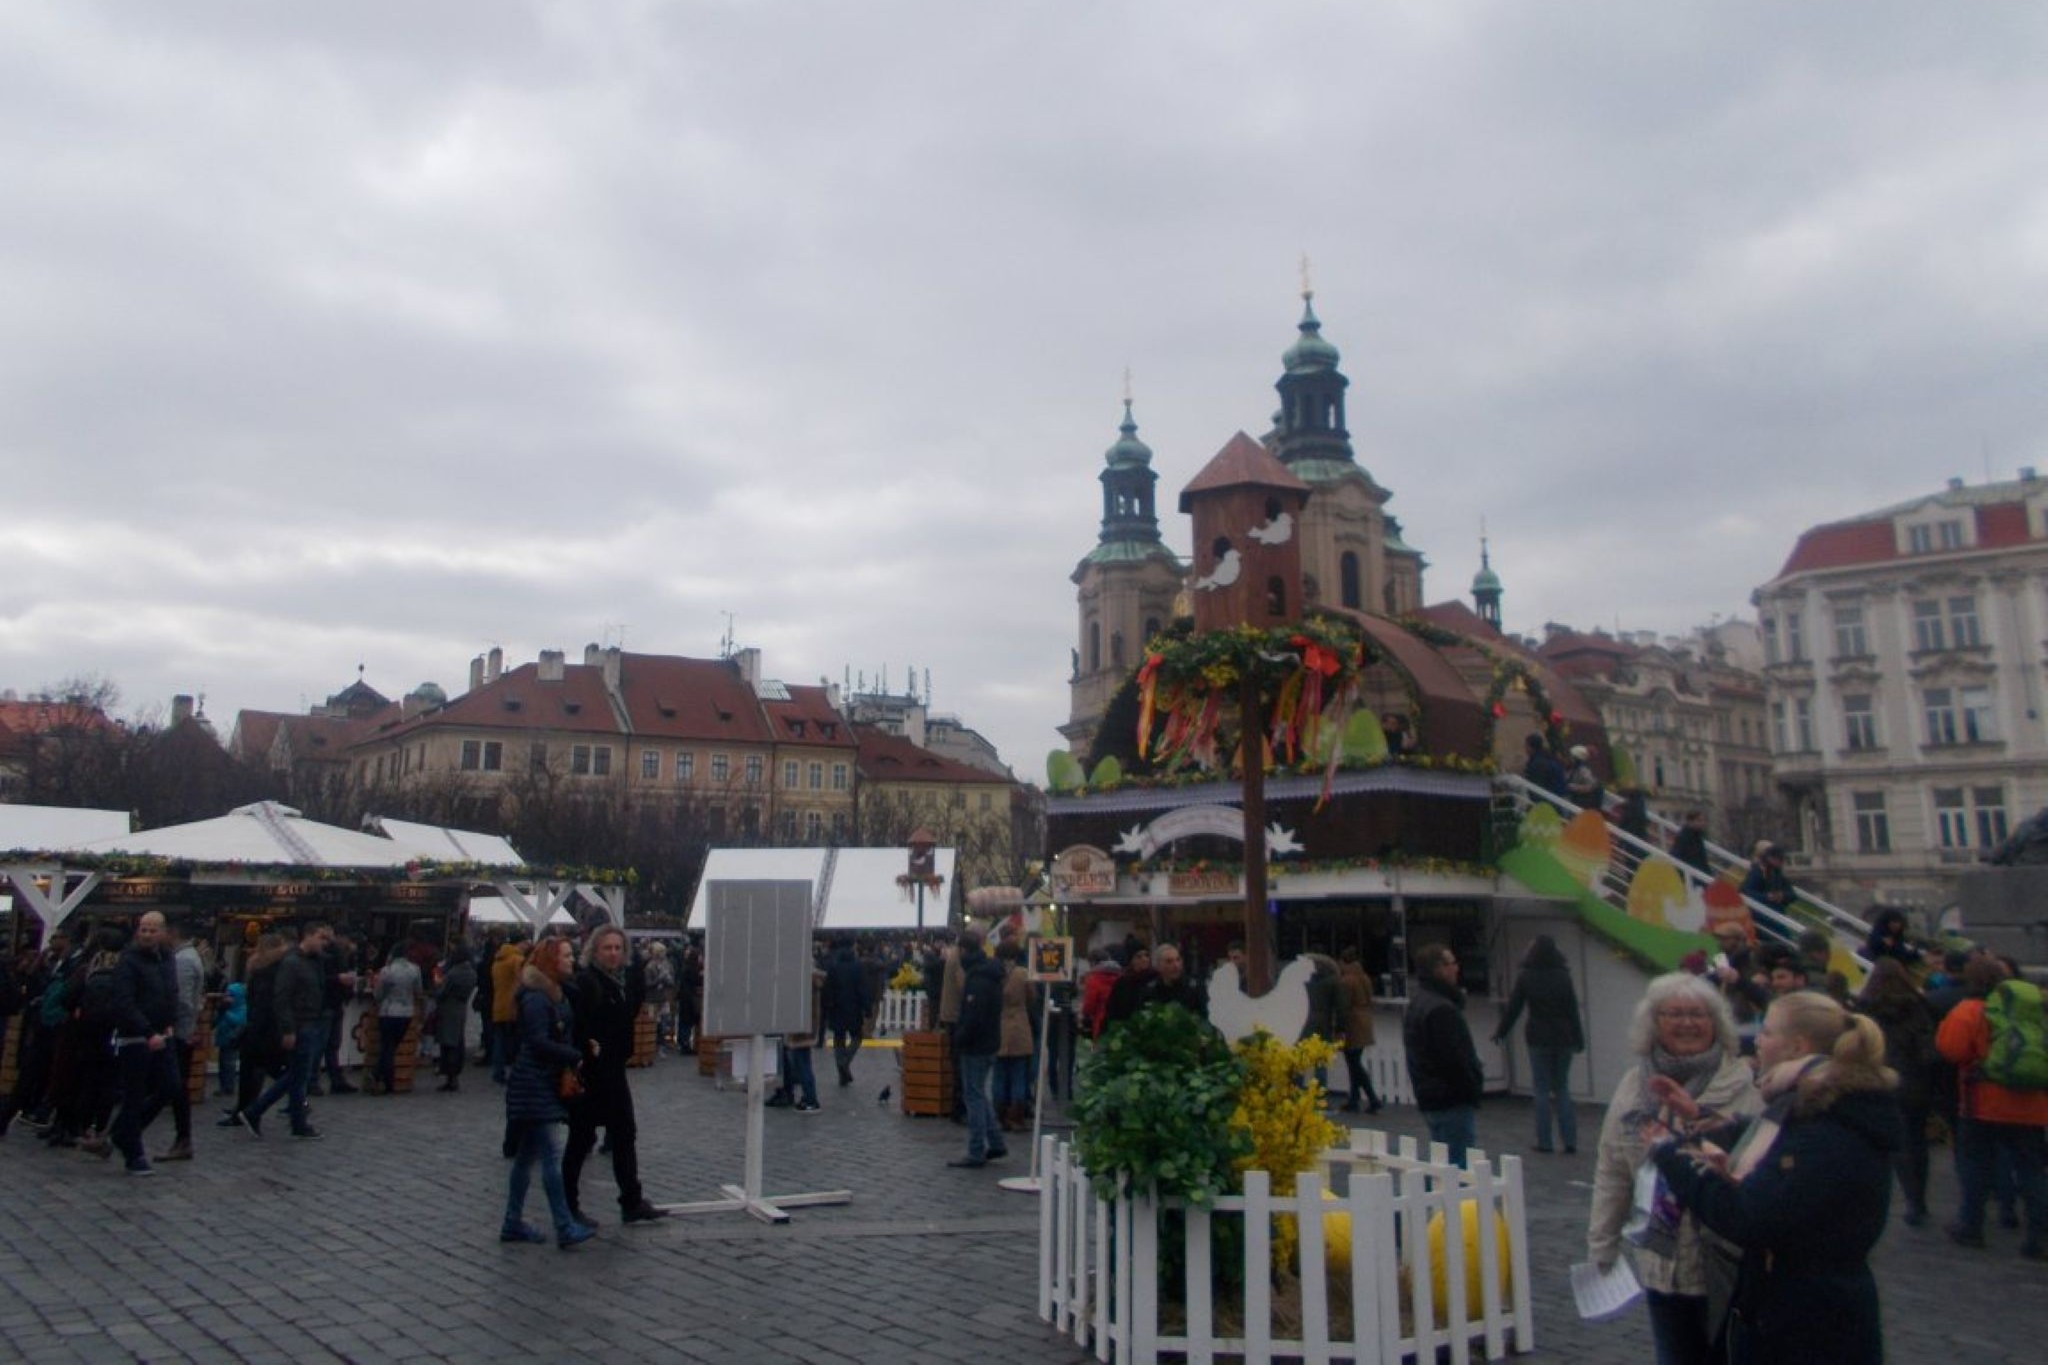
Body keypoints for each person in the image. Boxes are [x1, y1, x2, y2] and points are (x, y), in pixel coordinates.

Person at [1649, 991, 1901, 1365]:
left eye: (1766, 1031)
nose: (1757, 1040)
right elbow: (1764, 1141)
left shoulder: (1824, 1129)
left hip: (1806, 1323)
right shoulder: (1815, 1109)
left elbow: (1748, 1216)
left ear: (1797, 1046)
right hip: (1801, 1306)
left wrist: (1673, 1156)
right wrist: (1698, 1118)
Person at [1588, 973, 1761, 1365]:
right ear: (1654, 1022)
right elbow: (1613, 1169)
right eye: (1674, 1014)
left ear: (1716, 1022)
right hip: (1661, 1263)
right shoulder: (1633, 1085)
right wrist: (1602, 1243)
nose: (1687, 1023)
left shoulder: (1741, 1084)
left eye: (1698, 1014)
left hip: (1724, 1260)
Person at [1936, 957, 2047, 1259]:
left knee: (1976, 1165)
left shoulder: (1970, 1010)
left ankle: (1971, 1226)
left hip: (1982, 1103)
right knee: (2032, 1170)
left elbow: (1951, 1050)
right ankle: (2039, 1237)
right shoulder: (2032, 1010)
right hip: (2031, 1103)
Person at [562, 926, 664, 1227]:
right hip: (592, 1072)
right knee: (581, 1139)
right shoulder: (587, 982)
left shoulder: (620, 981)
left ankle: (631, 1200)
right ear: (595, 951)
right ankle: (568, 1204)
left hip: (614, 1069)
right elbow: (580, 1025)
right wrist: (588, 1049)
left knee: (624, 1134)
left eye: (618, 948)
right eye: (607, 948)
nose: (613, 953)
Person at [500, 936, 593, 1248]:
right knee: (551, 1155)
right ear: (552, 961)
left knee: (526, 1157)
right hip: (535, 1083)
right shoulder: (538, 999)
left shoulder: (555, 993)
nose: (571, 960)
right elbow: (538, 1041)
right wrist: (572, 1055)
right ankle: (564, 1225)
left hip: (540, 1082)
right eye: (566, 956)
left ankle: (512, 1221)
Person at [1856, 957, 1938, 1226]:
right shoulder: (1918, 1005)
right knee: (1917, 1139)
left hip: (1881, 1079)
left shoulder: (1866, 1007)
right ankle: (1919, 1199)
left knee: (1896, 1141)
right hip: (1915, 1080)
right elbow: (1928, 1048)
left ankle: (1911, 1199)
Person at [1492, 935, 1586, 1154]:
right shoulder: (1564, 976)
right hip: (1564, 1037)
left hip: (1538, 1037)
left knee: (1541, 1089)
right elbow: (1572, 1010)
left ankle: (1545, 1141)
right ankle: (1570, 1141)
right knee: (1562, 1087)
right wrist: (1579, 1038)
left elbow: (1514, 1008)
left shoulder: (1526, 976)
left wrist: (1501, 1032)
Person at [240, 921, 331, 1140]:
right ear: (307, 935)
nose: (325, 943)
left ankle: (293, 1121)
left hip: (309, 1021)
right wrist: (288, 1028)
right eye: (321, 937)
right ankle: (259, 1111)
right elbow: (281, 998)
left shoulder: (314, 962)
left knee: (297, 1075)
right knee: (296, 1074)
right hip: (299, 1024)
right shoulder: (292, 963)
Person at [108, 912, 181, 1176]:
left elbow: (170, 992)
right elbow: (124, 1001)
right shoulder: (129, 961)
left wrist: (170, 1022)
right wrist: (147, 1032)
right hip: (136, 1037)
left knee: (170, 1086)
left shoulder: (167, 959)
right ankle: (133, 1152)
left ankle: (124, 1132)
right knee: (134, 1095)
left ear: (163, 932)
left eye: (153, 930)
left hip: (163, 1034)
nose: (147, 934)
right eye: (144, 929)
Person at [1402, 943, 1484, 1168]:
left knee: (1441, 1162)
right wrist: (1473, 1083)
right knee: (1457, 1166)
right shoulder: (1442, 1009)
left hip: (1430, 1094)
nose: (1457, 968)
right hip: (1451, 1097)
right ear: (1439, 968)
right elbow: (1454, 1059)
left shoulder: (1419, 1002)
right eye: (1451, 963)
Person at [947, 927, 1007, 1169]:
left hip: (975, 1045)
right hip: (989, 1041)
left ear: (964, 950)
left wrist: (959, 1039)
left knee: (973, 1097)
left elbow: (973, 1016)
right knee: (979, 1094)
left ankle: (976, 1149)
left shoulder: (977, 978)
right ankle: (995, 1141)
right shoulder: (990, 973)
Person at [159, 918, 204, 1162]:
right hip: (181, 1031)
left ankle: (183, 1138)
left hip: (178, 1034)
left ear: (173, 932)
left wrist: (179, 1029)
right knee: (171, 1087)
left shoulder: (183, 960)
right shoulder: (185, 957)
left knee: (174, 1087)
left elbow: (183, 1000)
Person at [370, 942, 422, 1096]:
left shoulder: (387, 971)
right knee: (393, 1046)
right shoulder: (415, 970)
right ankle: (384, 1078)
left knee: (387, 1046)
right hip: (406, 1013)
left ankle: (382, 1077)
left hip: (388, 1011)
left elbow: (379, 994)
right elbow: (418, 991)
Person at [994, 940, 1034, 1133]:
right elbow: (1031, 996)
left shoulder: (995, 973)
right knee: (1019, 1074)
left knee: (999, 1074)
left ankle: (1000, 1114)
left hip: (999, 1025)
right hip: (1019, 1025)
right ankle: (1016, 1117)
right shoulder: (1023, 973)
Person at [1336, 946, 1381, 1114]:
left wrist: (1339, 1027)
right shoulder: (1364, 977)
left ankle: (1372, 1098)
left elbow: (1343, 1006)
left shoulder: (1346, 981)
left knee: (1354, 1063)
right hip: (1365, 1020)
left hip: (1352, 1023)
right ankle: (1354, 1099)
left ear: (1344, 962)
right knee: (1354, 1061)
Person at [821, 935, 868, 1087]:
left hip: (837, 1008)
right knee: (857, 1037)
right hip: (853, 1008)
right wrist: (867, 1008)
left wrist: (828, 1005)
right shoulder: (857, 967)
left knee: (838, 1040)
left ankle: (842, 1070)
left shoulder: (834, 967)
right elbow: (862, 990)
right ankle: (845, 1062)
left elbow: (827, 989)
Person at [432, 945, 477, 1093]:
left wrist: (437, 986)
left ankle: (449, 1075)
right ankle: (454, 1074)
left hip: (449, 1008)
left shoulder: (453, 973)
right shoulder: (472, 973)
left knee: (448, 1043)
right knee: (457, 1040)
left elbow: (442, 992)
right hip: (461, 1008)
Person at [490, 936, 526, 1084]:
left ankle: (497, 1072)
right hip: (513, 1007)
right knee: (515, 1042)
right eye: (525, 943)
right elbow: (522, 981)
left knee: (499, 1041)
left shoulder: (498, 960)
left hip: (498, 1004)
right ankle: (515, 1073)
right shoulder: (517, 960)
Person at [1101, 944, 1155, 1032]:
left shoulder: (1155, 979)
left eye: (1147, 955)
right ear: (1131, 960)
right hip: (1127, 1030)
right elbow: (1112, 1010)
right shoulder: (1123, 983)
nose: (1144, 959)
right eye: (1139, 956)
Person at [1148, 942, 1207, 1016]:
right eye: (1169, 961)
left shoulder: (1194, 989)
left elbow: (1204, 1016)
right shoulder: (1151, 991)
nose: (1176, 965)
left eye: (1178, 960)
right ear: (1158, 966)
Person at [1738, 843, 1794, 917]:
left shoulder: (1777, 873)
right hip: (1759, 913)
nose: (1780, 862)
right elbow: (1746, 892)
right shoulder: (1756, 873)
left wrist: (1782, 896)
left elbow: (1792, 894)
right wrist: (1767, 897)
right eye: (1778, 859)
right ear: (1769, 858)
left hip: (1775, 912)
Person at [1079, 948, 1119, 1040]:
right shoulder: (1120, 976)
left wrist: (1084, 1014)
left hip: (1100, 1021)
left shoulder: (1094, 979)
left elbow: (1089, 1006)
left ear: (1093, 963)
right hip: (1118, 1021)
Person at [1523, 732, 1568, 801]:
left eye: (1526, 746)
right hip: (1559, 798)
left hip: (1550, 800)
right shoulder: (1548, 757)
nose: (1525, 749)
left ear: (1531, 747)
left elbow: (1537, 787)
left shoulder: (1538, 763)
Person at [1668, 810, 1712, 878]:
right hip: (1692, 876)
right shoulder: (1684, 837)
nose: (1702, 823)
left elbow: (1703, 860)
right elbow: (1676, 856)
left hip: (1699, 874)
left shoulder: (1697, 836)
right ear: (1690, 821)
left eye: (1704, 820)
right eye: (1699, 820)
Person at [1564, 744, 1604, 813]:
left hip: (1581, 802)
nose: (1569, 758)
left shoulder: (1583, 771)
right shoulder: (1572, 769)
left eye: (1571, 757)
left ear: (1577, 759)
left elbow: (1589, 787)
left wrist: (1575, 787)